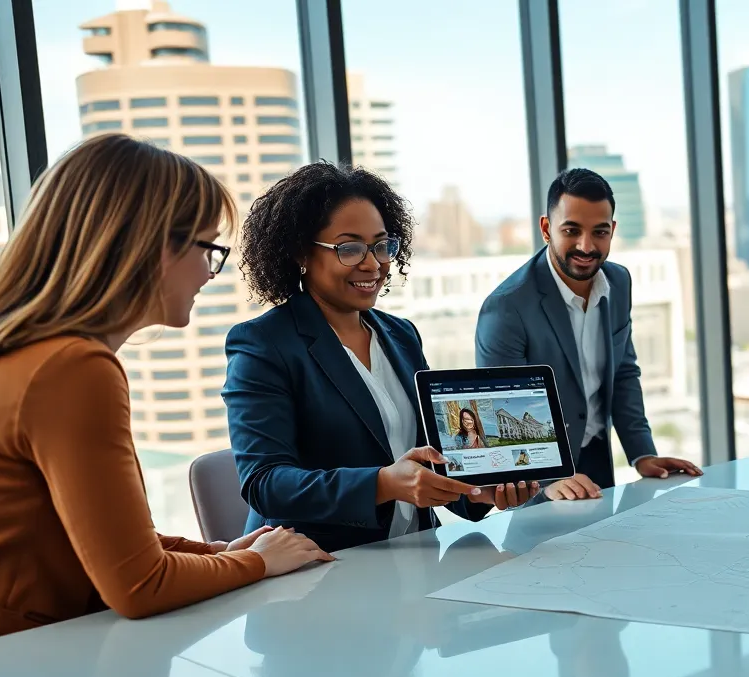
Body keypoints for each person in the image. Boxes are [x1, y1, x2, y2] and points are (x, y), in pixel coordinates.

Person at [0, 134, 332, 642]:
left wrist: (221, 555)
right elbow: (139, 584)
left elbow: (108, 540)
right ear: (145, 244)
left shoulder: (23, 354)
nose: (210, 274)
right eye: (208, 249)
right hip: (29, 670)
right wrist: (257, 564)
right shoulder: (73, 369)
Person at [224, 162, 575, 554]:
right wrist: (383, 483)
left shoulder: (400, 334)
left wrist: (478, 492)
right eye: (350, 248)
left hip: (416, 554)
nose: (372, 263)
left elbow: (430, 461)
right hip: (319, 566)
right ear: (300, 252)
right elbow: (265, 483)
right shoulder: (262, 344)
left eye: (380, 245)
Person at [476, 168, 702, 489]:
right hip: (539, 480)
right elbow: (503, 409)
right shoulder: (506, 307)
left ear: (612, 230)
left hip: (597, 456)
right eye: (571, 230)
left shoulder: (619, 282)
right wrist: (547, 480)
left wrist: (642, 454)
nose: (586, 246)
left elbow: (623, 372)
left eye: (599, 232)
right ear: (546, 228)